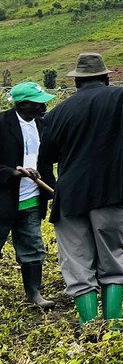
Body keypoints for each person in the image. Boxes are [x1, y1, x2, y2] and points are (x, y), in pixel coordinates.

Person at [40, 53, 123, 327]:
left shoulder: (58, 113)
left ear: (77, 83)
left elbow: (47, 156)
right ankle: (113, 329)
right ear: (106, 78)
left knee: (77, 264)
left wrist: (56, 189)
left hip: (69, 196)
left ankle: (90, 329)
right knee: (111, 259)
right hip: (111, 189)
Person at [0, 82, 57, 309]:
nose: (44, 106)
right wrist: (12, 173)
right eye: (39, 102)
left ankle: (34, 293)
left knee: (32, 246)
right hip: (4, 200)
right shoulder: (2, 124)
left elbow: (50, 158)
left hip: (32, 198)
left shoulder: (44, 125)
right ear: (23, 104)